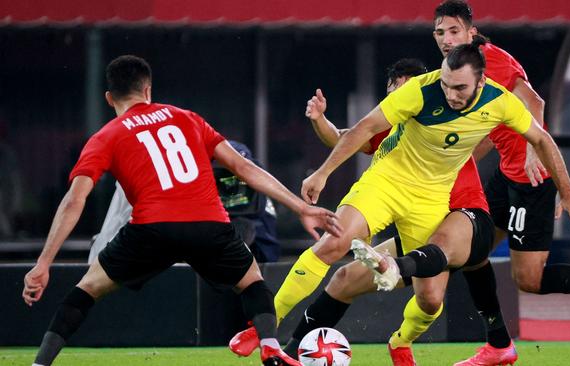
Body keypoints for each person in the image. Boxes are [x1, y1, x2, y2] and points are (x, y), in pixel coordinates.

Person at [22, 55, 342, 366]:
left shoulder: (106, 136)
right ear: (148, 90)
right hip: (210, 225)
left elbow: (74, 200)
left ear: (109, 98)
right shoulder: (187, 117)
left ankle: (40, 364)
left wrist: (43, 263)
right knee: (252, 281)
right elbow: (242, 167)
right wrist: (301, 206)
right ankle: (271, 346)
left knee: (87, 288)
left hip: (151, 229)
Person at [230, 58, 514, 365]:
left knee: (431, 299)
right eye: (393, 93)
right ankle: (289, 344)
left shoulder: (446, 122)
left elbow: (499, 126)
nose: (400, 100)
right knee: (343, 276)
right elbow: (348, 137)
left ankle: (401, 342)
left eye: (405, 92)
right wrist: (319, 121)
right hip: (411, 217)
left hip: (456, 223)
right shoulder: (395, 128)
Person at [430, 0, 570, 351]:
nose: (446, 39)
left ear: (471, 32)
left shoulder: (492, 60)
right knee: (473, 253)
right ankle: (498, 346)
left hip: (530, 180)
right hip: (507, 174)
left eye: (454, 30)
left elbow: (535, 102)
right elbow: (490, 132)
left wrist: (536, 150)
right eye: (440, 32)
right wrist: (458, 162)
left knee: (528, 280)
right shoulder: (463, 69)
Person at [88, 140, 281, 264]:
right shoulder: (160, 188)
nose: (227, 184)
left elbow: (264, 253)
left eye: (237, 176)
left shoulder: (257, 193)